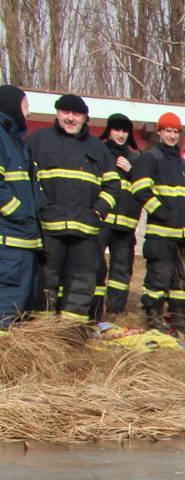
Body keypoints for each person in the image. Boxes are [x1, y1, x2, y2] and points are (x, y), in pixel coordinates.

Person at [27, 93, 116, 325]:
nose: (70, 118)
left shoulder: (98, 148)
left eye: (76, 114)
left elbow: (114, 186)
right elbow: (26, 180)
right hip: (48, 227)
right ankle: (42, 333)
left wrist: (98, 210)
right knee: (45, 280)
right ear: (57, 113)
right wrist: (42, 205)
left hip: (85, 230)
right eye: (65, 112)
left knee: (82, 283)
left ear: (85, 118)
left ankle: (70, 333)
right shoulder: (37, 140)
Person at [128, 112, 185, 336]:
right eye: (167, 130)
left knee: (183, 282)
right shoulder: (149, 158)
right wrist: (163, 213)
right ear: (159, 131)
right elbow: (139, 189)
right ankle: (155, 319)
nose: (171, 135)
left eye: (175, 131)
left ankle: (179, 320)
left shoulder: (183, 164)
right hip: (161, 234)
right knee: (158, 278)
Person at [0, 85, 40, 329]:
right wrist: (19, 214)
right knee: (6, 304)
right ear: (13, 107)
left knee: (19, 307)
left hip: (23, 239)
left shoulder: (19, 143)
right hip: (9, 240)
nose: (29, 112)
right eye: (26, 107)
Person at [96, 113, 140, 317]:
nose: (121, 134)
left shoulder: (136, 159)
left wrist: (132, 171)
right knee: (94, 265)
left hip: (125, 225)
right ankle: (93, 309)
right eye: (117, 129)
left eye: (125, 130)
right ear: (109, 131)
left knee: (121, 272)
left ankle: (116, 311)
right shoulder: (98, 152)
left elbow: (143, 188)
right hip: (100, 222)